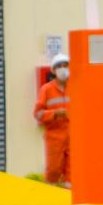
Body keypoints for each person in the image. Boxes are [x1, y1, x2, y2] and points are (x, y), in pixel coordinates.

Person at [35, 57, 71, 187]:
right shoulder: (46, 89)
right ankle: (51, 197)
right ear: (54, 70)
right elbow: (38, 114)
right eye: (59, 66)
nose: (63, 69)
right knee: (53, 171)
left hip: (73, 136)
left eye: (65, 65)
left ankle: (70, 201)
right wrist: (55, 113)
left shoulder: (75, 86)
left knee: (73, 174)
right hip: (55, 137)